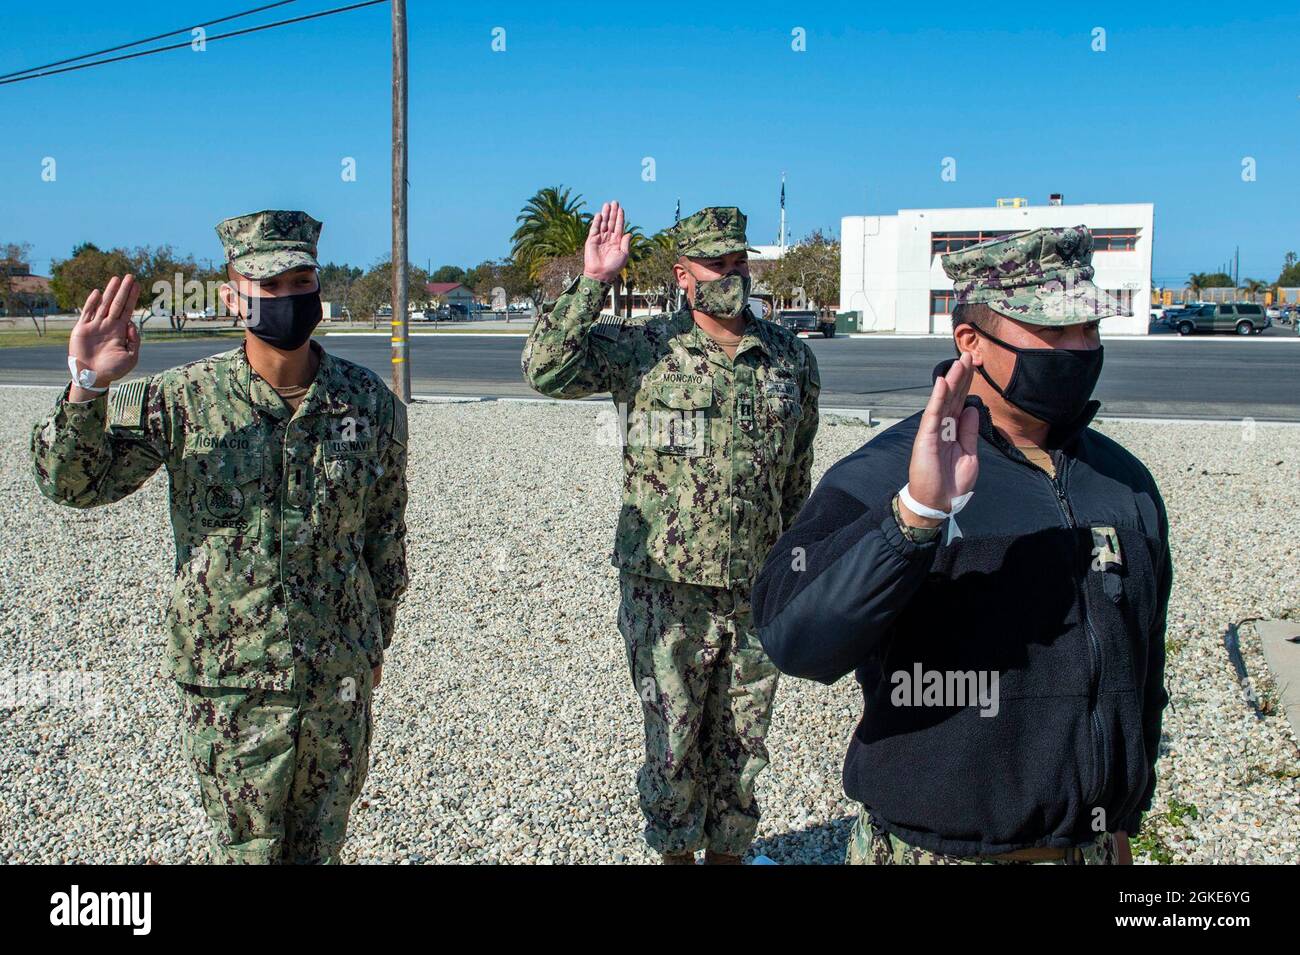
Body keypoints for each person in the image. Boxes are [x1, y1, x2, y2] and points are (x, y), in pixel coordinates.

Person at [753, 225, 1171, 865]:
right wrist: (915, 518)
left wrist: (1120, 815)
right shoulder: (884, 473)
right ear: (970, 342)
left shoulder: (1124, 483)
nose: (1079, 349)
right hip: (938, 851)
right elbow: (792, 636)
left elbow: (1141, 674)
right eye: (1054, 333)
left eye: (1089, 329)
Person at [30, 210, 409, 864]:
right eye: (271, 283)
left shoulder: (369, 403)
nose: (290, 297)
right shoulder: (176, 399)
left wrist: (375, 638)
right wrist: (87, 387)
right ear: (233, 297)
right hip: (231, 687)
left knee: (320, 853)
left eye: (302, 280)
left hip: (335, 681)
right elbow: (73, 483)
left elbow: (385, 534)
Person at [522, 202, 820, 863]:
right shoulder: (643, 350)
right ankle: (678, 858)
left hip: (754, 591)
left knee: (744, 751)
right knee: (673, 750)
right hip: (667, 594)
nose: (732, 274)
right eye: (717, 263)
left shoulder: (789, 359)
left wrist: (795, 572)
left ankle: (729, 856)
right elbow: (544, 368)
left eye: (740, 261)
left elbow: (795, 478)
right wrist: (592, 280)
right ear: (684, 274)